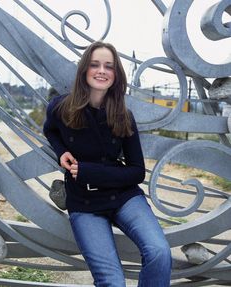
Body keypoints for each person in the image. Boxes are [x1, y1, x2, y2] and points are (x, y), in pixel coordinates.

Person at [43, 41, 171, 287]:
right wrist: (61, 152)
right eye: (95, 65)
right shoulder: (60, 108)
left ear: (116, 74)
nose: (102, 70)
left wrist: (91, 172)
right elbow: (50, 131)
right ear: (84, 70)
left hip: (123, 197)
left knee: (159, 252)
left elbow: (136, 172)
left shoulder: (123, 116)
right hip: (85, 204)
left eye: (108, 66)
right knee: (111, 281)